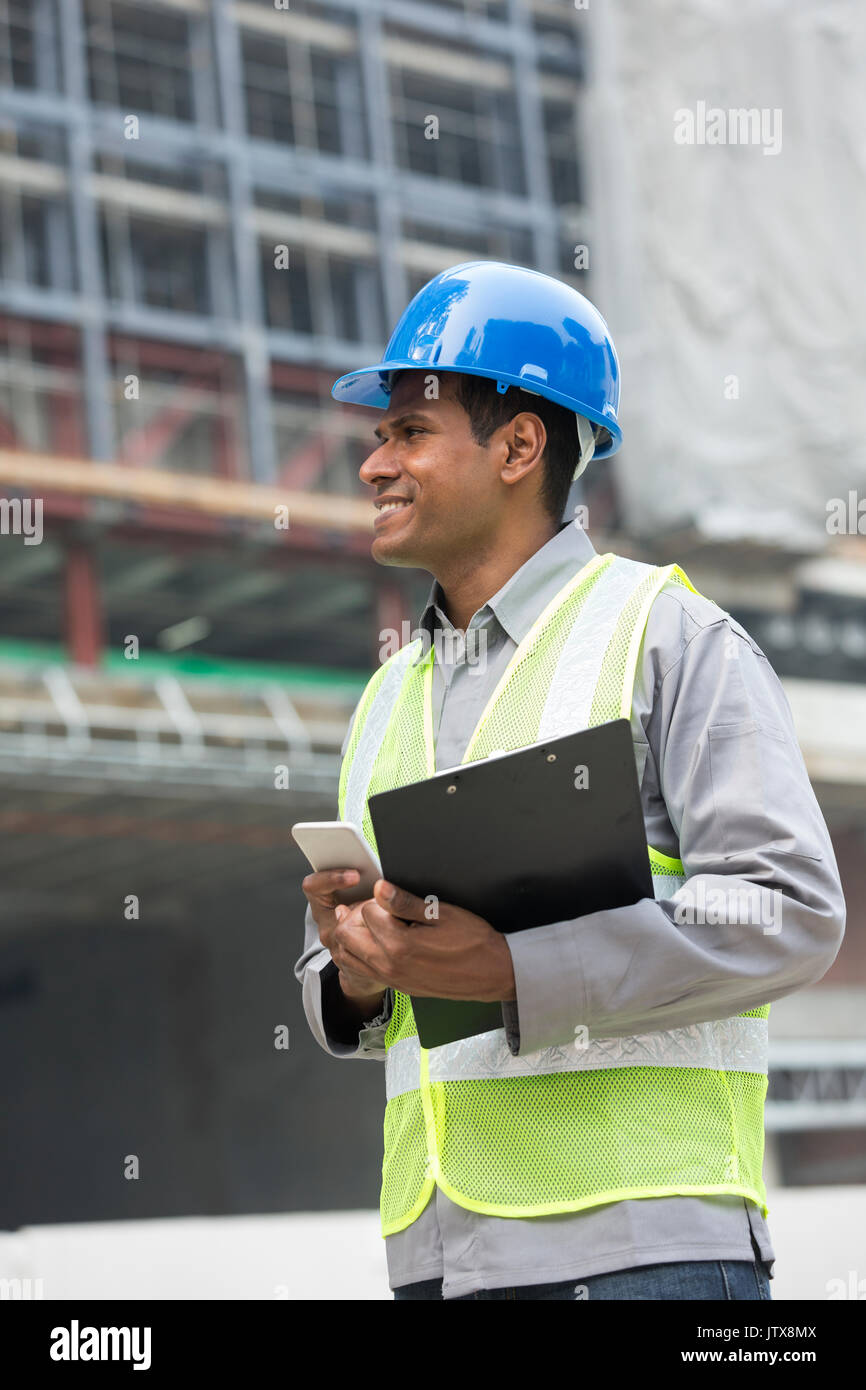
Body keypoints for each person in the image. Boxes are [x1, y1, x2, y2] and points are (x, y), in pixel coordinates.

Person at [295, 261, 845, 1301]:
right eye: (379, 438)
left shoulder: (667, 638)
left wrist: (513, 966)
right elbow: (357, 1005)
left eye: (409, 432)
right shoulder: (383, 698)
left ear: (517, 446)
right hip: (437, 1256)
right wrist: (360, 967)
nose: (374, 466)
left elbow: (792, 911)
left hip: (643, 1249)